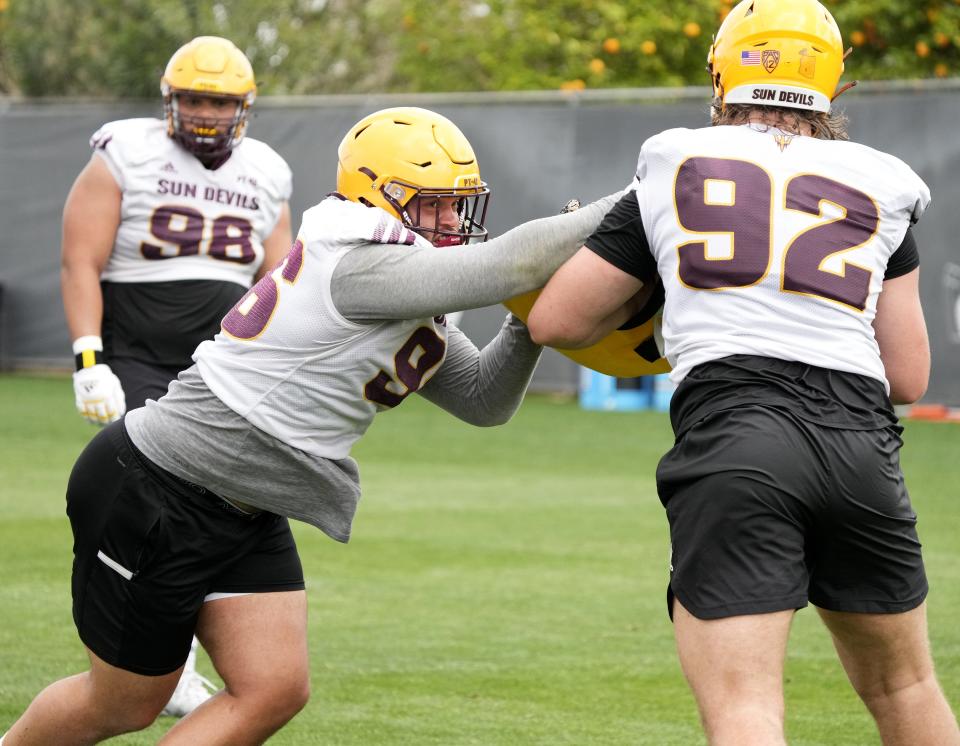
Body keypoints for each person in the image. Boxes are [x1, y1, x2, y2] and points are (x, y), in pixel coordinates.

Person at [3, 107, 618, 745]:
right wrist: (643, 196)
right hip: (163, 485)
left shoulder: (398, 283)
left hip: (246, 502)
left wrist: (525, 321)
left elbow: (486, 399)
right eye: (430, 205)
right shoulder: (360, 264)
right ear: (376, 196)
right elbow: (508, 264)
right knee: (123, 704)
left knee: (273, 688)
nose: (449, 222)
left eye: (455, 205)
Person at [526, 1, 960, 744]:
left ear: (723, 76)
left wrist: (668, 302)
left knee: (746, 710)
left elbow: (559, 319)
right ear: (834, 84)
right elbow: (909, 377)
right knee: (906, 685)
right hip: (859, 443)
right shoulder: (882, 183)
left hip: (737, 431)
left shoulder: (675, 161)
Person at [60, 36, 293, 717]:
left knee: (222, 504)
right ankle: (159, 666)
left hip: (223, 364)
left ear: (243, 106)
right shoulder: (125, 152)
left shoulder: (268, 171)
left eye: (219, 100)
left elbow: (282, 283)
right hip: (137, 349)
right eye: (193, 97)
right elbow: (80, 260)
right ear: (169, 98)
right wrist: (87, 358)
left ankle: (197, 656)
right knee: (151, 507)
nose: (205, 112)